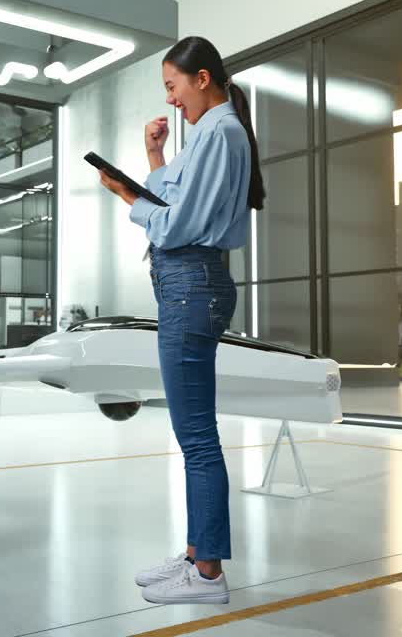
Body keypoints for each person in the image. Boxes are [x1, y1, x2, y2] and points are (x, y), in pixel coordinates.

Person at [99, 35, 265, 605]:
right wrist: (151, 160)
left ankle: (209, 575)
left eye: (173, 86)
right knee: (193, 435)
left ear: (202, 79)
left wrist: (127, 196)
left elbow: (174, 224)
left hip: (191, 285)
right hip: (189, 284)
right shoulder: (211, 133)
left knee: (196, 438)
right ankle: (197, 554)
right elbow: (172, 195)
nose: (171, 100)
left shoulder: (221, 132)